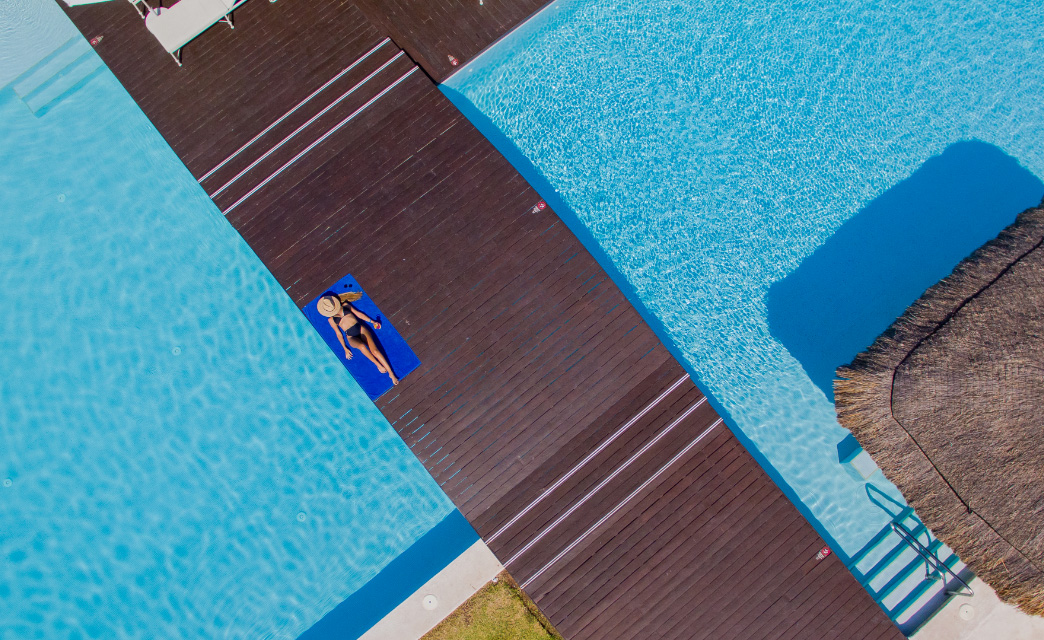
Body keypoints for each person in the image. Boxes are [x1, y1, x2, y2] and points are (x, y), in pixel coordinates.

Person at [317, 293, 399, 385]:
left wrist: (372, 322)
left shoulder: (345, 305)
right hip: (351, 337)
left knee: (375, 351)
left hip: (361, 329)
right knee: (362, 346)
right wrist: (345, 348)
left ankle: (391, 373)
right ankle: (378, 364)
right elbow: (338, 334)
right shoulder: (331, 320)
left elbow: (359, 314)